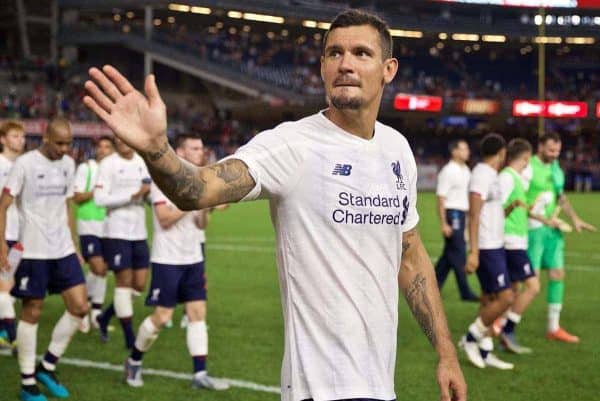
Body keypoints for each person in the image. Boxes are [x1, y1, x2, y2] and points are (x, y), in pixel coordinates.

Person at [84, 9, 467, 401]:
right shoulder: (293, 145)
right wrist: (156, 149)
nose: (345, 64)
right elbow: (196, 190)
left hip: (379, 385)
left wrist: (446, 354)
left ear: (388, 69)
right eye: (334, 54)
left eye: (360, 53)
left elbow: (410, 253)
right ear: (321, 67)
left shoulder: (397, 150)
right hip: (317, 388)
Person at [124, 134, 229, 391]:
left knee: (197, 314)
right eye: (194, 148)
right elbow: (164, 219)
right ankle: (134, 360)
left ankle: (200, 374)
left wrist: (204, 207)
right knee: (162, 317)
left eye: (202, 147)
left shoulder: (200, 181)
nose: (200, 152)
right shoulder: (164, 180)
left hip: (193, 258)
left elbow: (202, 224)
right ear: (180, 152)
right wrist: (192, 201)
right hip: (167, 260)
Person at [0, 117, 89, 401]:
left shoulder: (68, 164)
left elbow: (66, 205)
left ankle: (47, 366)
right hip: (34, 250)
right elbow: (3, 206)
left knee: (80, 307)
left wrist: (74, 244)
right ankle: (27, 383)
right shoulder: (24, 164)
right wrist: (1, 245)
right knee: (33, 310)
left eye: (69, 143)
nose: (65, 149)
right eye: (60, 143)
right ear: (46, 138)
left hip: (62, 248)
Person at [523, 133, 596, 343]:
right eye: (551, 150)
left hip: (553, 231)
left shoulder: (556, 169)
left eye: (557, 151)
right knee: (528, 281)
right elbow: (519, 201)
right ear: (540, 147)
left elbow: (560, 197)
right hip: (533, 230)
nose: (555, 154)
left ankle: (553, 327)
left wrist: (575, 219)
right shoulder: (528, 168)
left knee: (557, 274)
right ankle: (502, 322)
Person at [459, 134, 514, 370]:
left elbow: (491, 212)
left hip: (496, 244)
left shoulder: (492, 176)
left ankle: (485, 349)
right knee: (506, 297)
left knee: (490, 299)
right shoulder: (481, 174)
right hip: (486, 246)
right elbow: (474, 214)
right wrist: (474, 252)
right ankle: (470, 338)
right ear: (501, 152)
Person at [93, 137, 151, 349]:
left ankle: (105, 316)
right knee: (123, 285)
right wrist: (132, 195)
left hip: (139, 232)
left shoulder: (142, 162)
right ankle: (129, 338)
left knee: (139, 286)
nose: (122, 141)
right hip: (116, 232)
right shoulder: (108, 164)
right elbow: (99, 199)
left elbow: (148, 193)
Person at [495, 139, 540, 353]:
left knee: (511, 291)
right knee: (533, 287)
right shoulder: (506, 178)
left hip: (517, 240)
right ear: (525, 157)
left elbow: (517, 208)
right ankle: (506, 329)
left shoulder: (516, 180)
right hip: (510, 242)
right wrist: (514, 205)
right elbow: (496, 211)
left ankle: (492, 333)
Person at [72, 136, 114, 331]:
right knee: (97, 267)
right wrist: (96, 192)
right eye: (101, 146)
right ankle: (81, 308)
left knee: (103, 268)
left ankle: (93, 310)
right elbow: (77, 197)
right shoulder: (86, 168)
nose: (104, 150)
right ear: (96, 149)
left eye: (108, 147)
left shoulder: (115, 171)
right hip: (88, 222)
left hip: (109, 224)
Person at [434, 139, 478, 302]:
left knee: (449, 256)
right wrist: (444, 222)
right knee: (459, 253)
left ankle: (432, 286)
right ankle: (465, 292)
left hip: (462, 214)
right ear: (454, 152)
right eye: (463, 149)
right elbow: (441, 198)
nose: (467, 152)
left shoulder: (466, 170)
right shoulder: (448, 171)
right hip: (453, 214)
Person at [0, 120, 26, 352]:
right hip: (2, 233)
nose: (21, 140)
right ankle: (14, 337)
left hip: (19, 234)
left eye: (22, 136)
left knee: (9, 285)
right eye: (15, 136)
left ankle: (3, 333)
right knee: (4, 287)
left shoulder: (24, 165)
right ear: (3, 139)